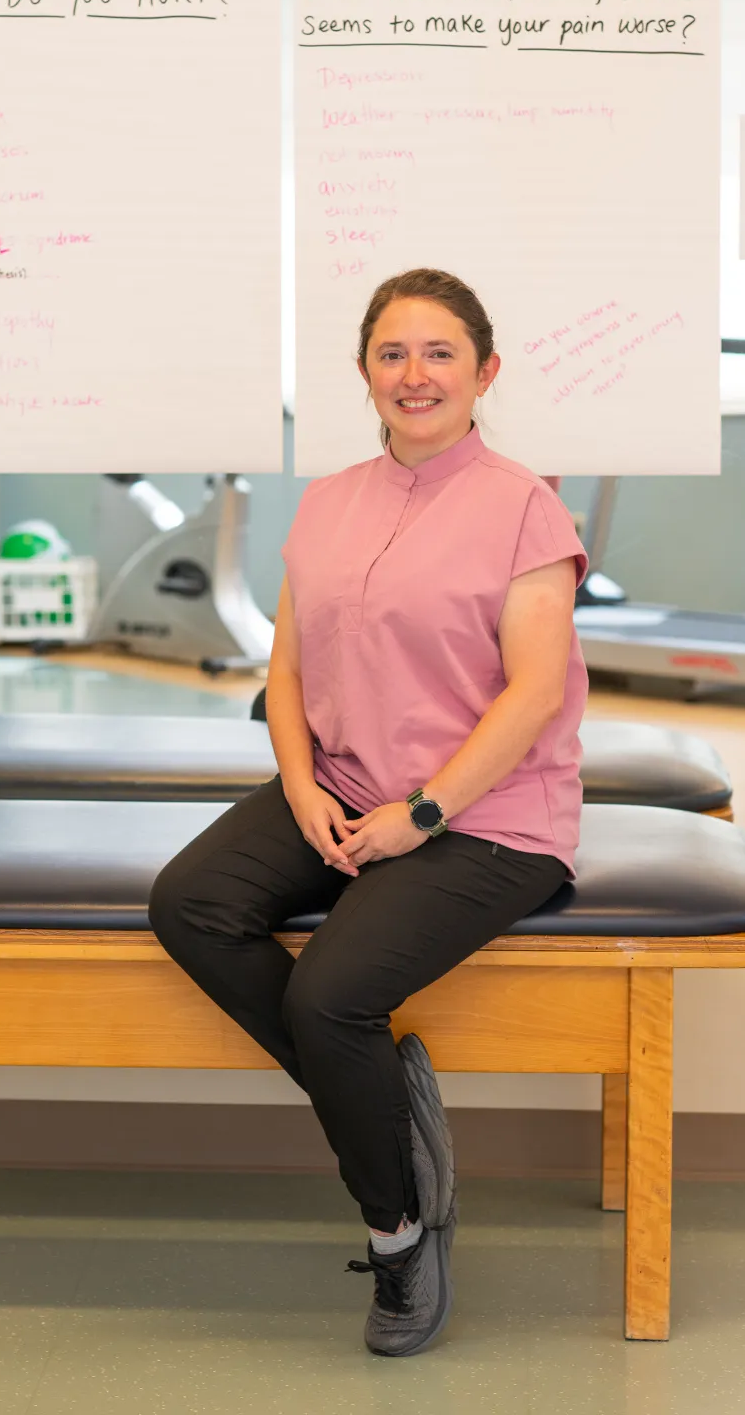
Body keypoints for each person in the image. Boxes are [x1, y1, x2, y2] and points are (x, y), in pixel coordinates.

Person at [149, 268, 589, 1357]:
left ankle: (397, 1235)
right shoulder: (329, 499)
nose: (414, 375)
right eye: (391, 354)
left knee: (330, 997)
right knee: (191, 902)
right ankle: (389, 1111)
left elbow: (531, 693)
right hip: (341, 786)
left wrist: (423, 814)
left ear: (484, 373)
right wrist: (298, 785)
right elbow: (288, 665)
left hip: (487, 819)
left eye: (439, 353)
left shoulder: (524, 505)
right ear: (364, 374)